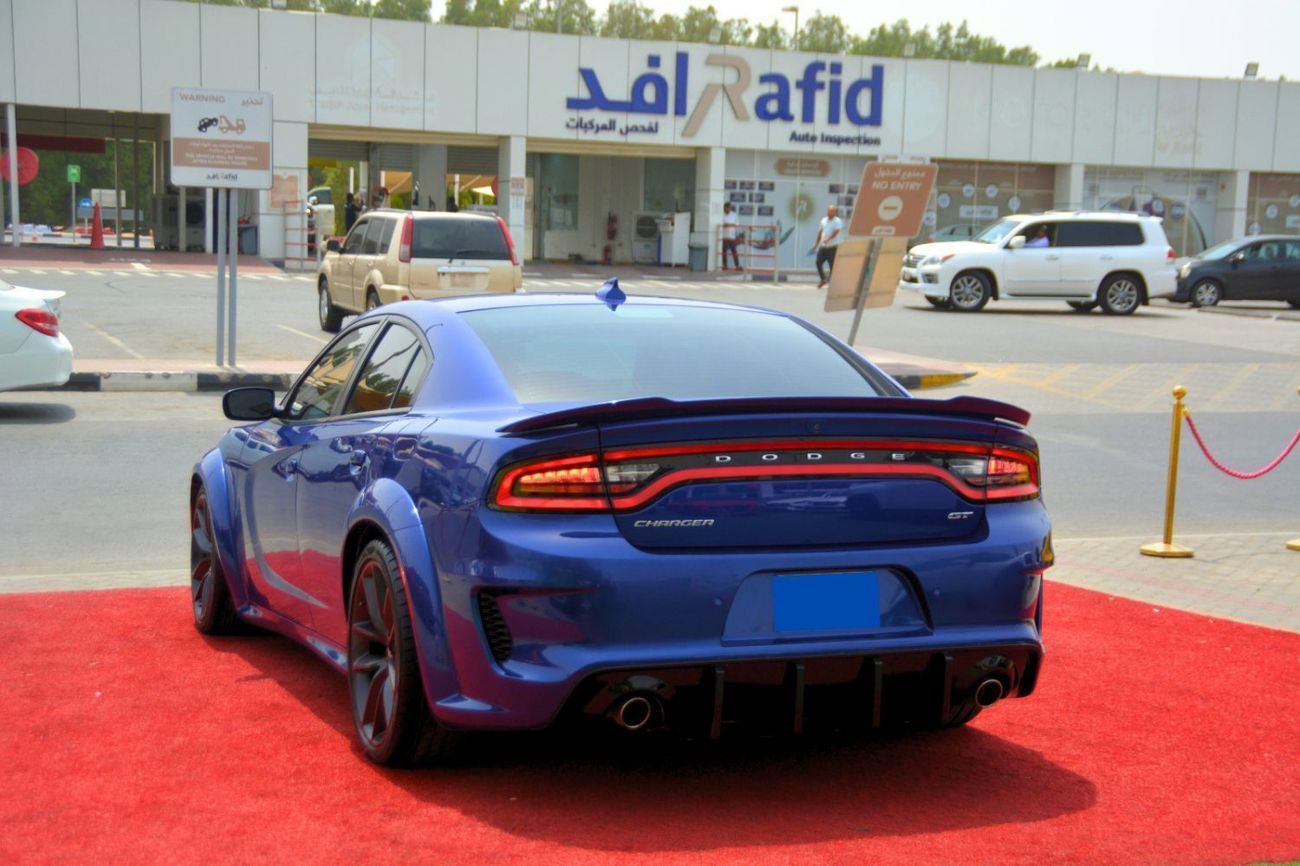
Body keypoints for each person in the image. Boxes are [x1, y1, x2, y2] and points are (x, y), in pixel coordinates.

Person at [809, 204, 844, 288]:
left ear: (835, 212)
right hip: (823, 247)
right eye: (828, 211)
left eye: (831, 211)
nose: (829, 213)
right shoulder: (823, 220)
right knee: (818, 262)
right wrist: (815, 244)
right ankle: (823, 279)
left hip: (833, 247)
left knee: (832, 266)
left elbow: (836, 232)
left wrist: (829, 239)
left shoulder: (837, 221)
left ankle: (832, 283)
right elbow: (820, 232)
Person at [720, 202, 742, 271]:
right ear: (724, 208)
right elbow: (720, 224)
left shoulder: (734, 215)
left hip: (732, 236)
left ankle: (737, 266)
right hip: (724, 236)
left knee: (734, 251)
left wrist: (729, 225)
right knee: (724, 252)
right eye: (727, 208)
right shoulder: (721, 215)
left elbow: (737, 224)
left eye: (729, 208)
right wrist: (725, 225)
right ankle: (725, 265)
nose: (728, 209)